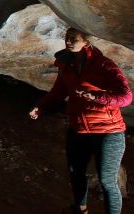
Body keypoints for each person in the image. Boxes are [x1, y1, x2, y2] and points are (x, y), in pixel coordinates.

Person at [29, 28, 131, 214]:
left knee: (107, 181)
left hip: (108, 131)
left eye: (73, 39)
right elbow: (58, 92)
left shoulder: (104, 65)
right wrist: (41, 107)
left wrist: (96, 96)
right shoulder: (66, 65)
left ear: (86, 41)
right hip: (79, 129)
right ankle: (80, 210)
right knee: (76, 173)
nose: (68, 41)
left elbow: (126, 97)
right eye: (67, 38)